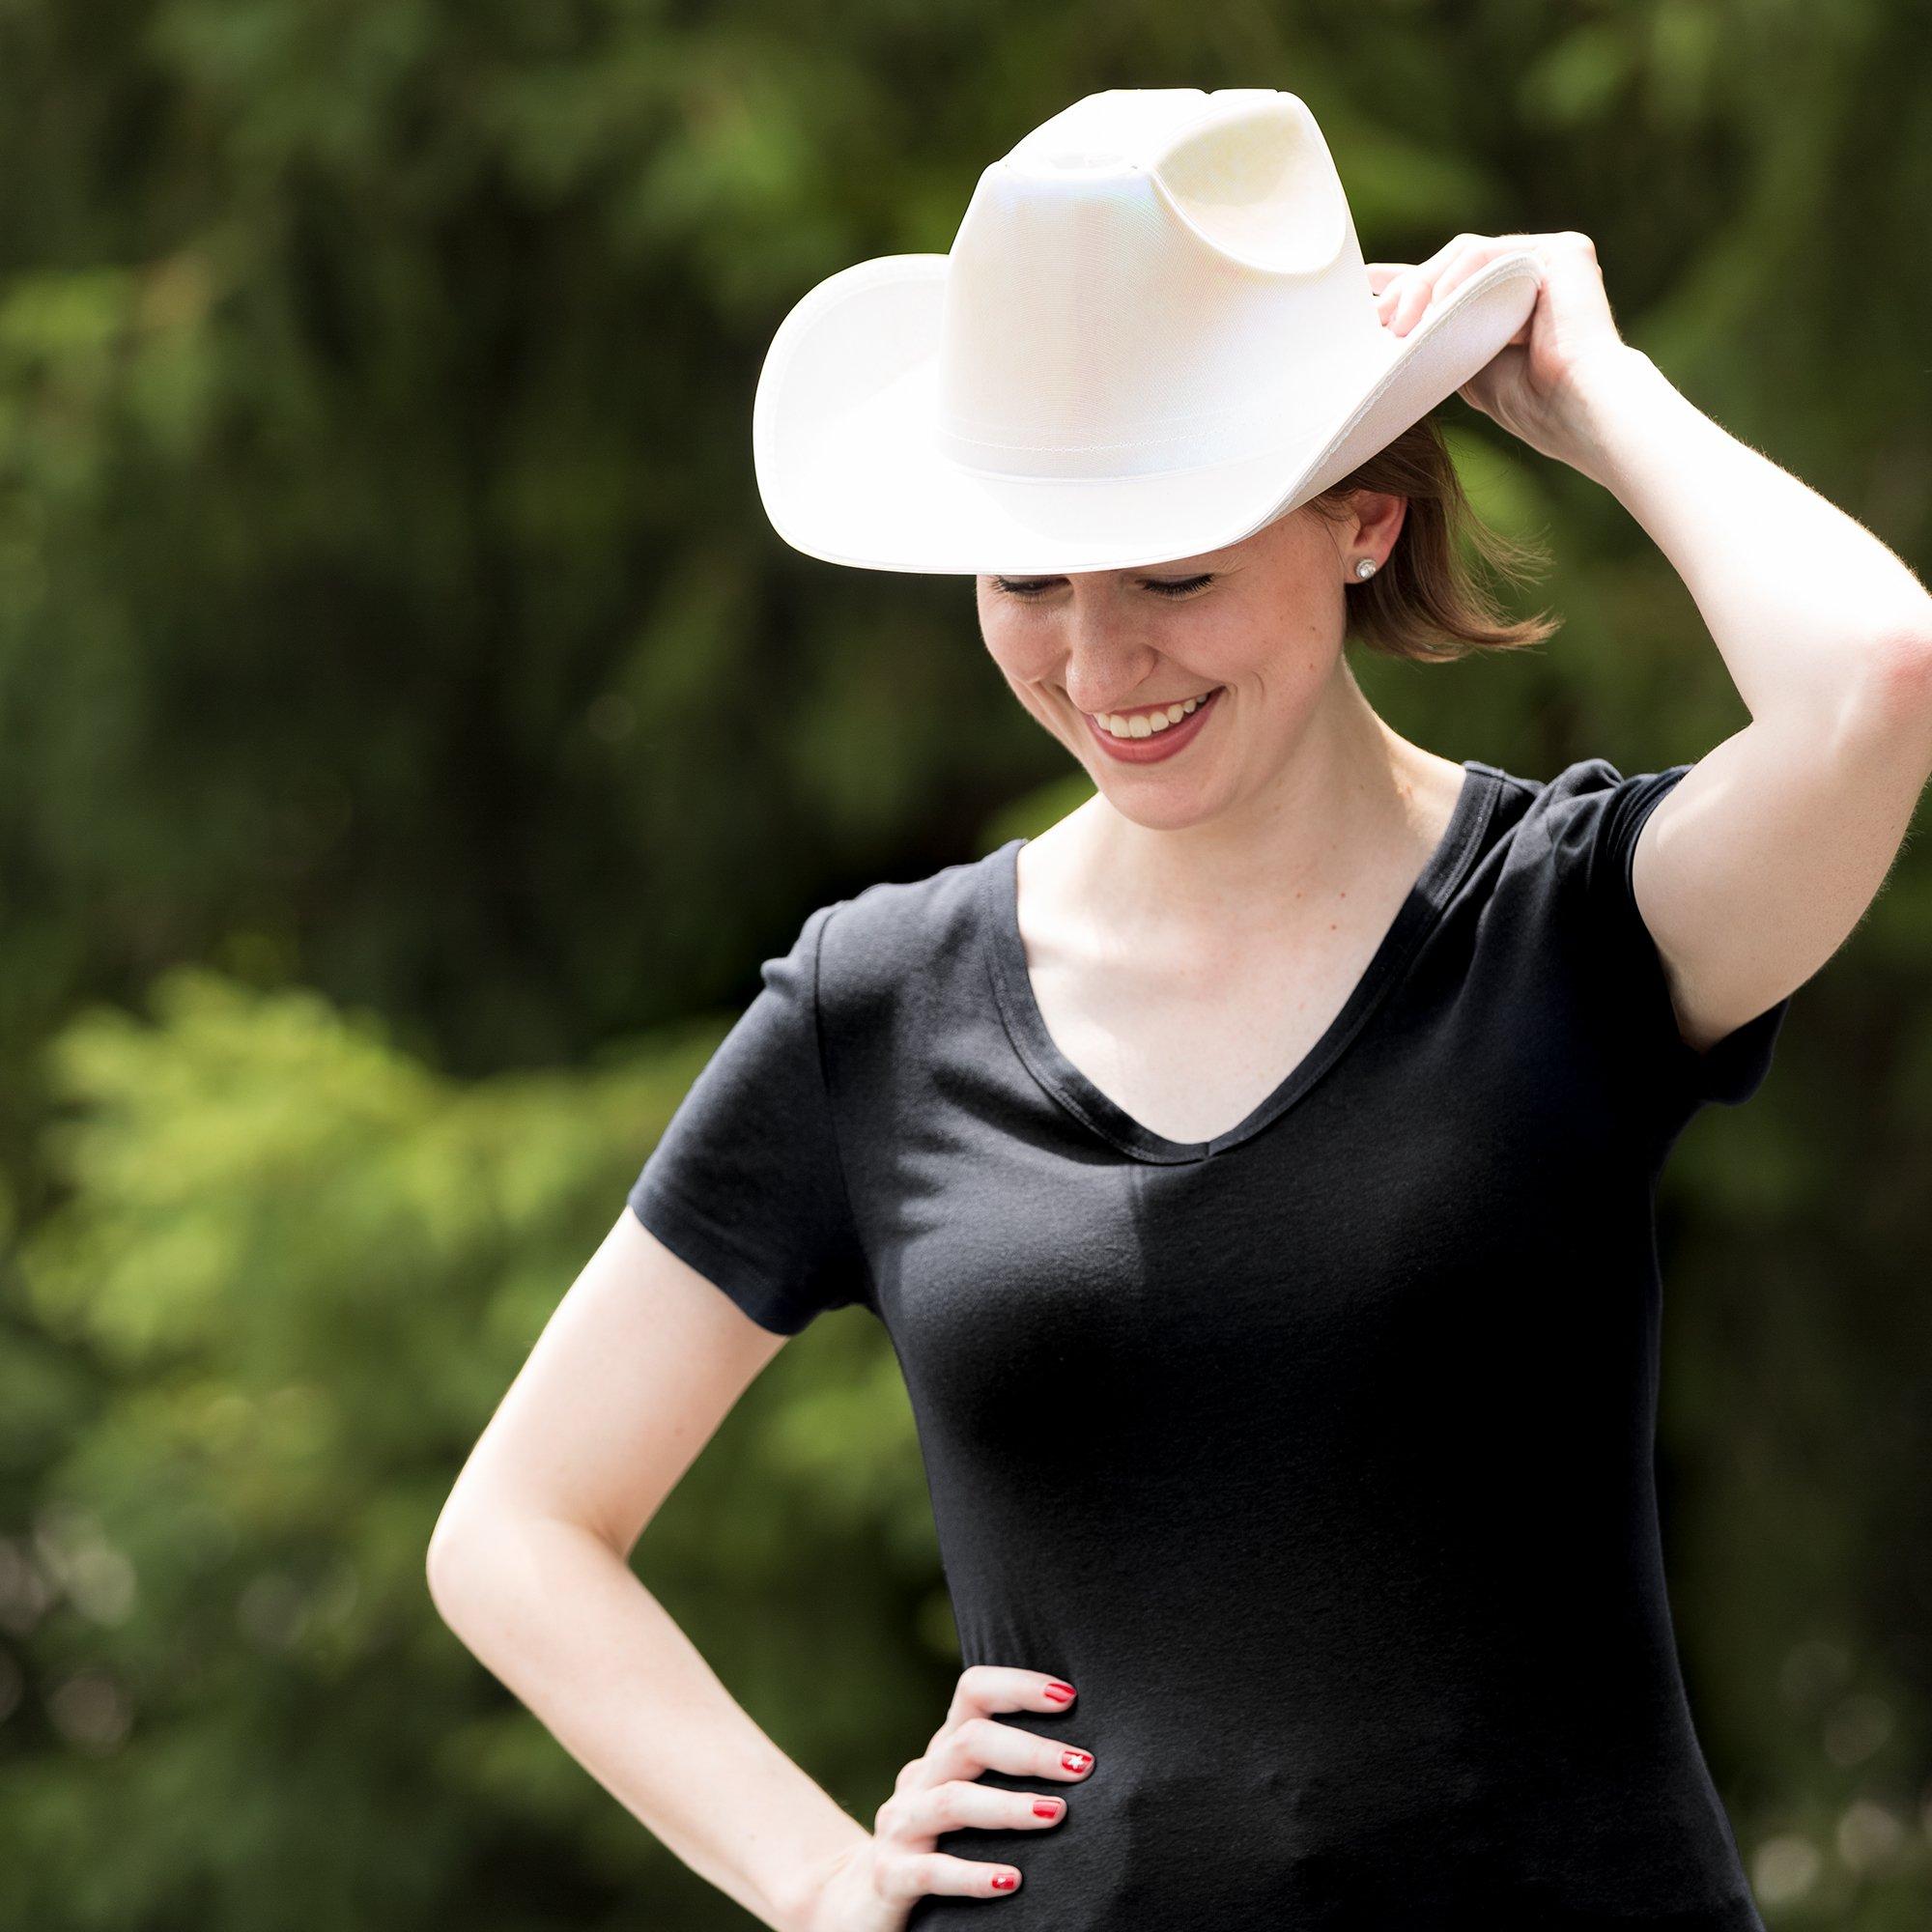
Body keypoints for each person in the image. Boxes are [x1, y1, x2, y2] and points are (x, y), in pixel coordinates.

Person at [425, 89, 1932, 1932]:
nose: (1099, 658)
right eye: (1029, 578)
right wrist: (818, 1874)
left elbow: (1878, 683)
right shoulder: (876, 1007)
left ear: (1364, 521)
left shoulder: (1579, 924)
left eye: (1179, 570)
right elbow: (516, 1533)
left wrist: (1591, 397)